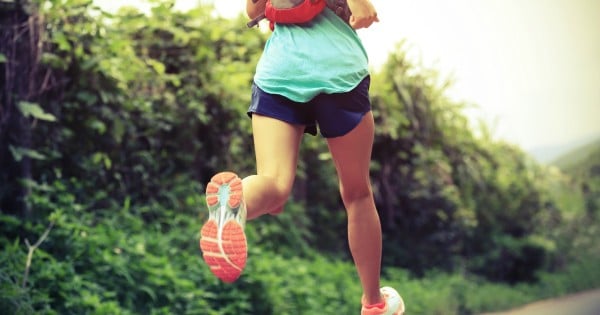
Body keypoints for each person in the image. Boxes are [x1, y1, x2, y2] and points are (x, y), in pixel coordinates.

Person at [199, 1, 405, 314]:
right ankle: (374, 303)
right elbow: (362, 11)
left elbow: (253, 10)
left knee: (273, 182)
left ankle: (232, 205)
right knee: (357, 194)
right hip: (338, 71)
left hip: (281, 72)